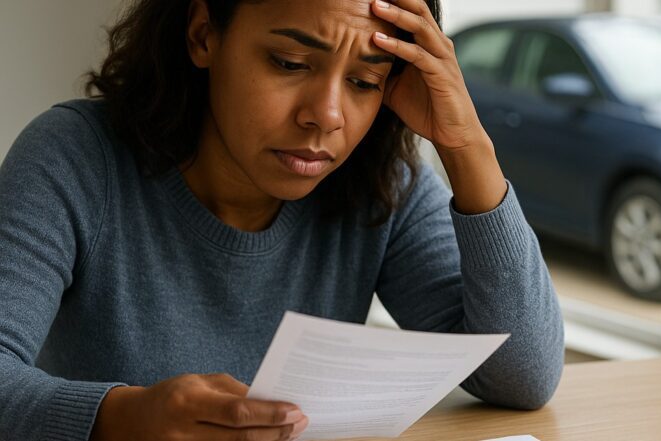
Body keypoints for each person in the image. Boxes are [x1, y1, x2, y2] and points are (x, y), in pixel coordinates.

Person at [0, 0, 564, 440]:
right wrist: (117, 419)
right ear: (203, 34)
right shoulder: (75, 157)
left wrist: (467, 148)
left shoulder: (380, 185)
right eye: (291, 63)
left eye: (365, 82)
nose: (326, 115)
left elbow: (521, 376)